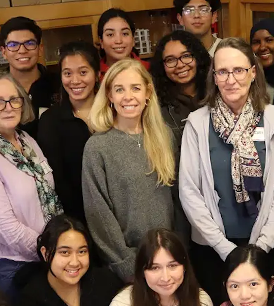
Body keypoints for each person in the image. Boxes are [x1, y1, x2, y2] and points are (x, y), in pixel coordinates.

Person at [179, 37, 274, 306]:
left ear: (253, 72)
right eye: (223, 72)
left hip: (262, 242)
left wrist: (261, 247)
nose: (231, 79)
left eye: (239, 70)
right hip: (212, 247)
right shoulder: (197, 122)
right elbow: (189, 191)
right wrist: (224, 248)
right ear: (214, 77)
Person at [0, 71, 62, 300]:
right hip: (10, 268)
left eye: (14, 99)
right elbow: (4, 226)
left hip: (43, 258)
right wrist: (52, 251)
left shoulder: (26, 140)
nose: (8, 107)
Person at [83, 59, 175, 282]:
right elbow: (98, 214)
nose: (128, 96)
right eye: (119, 89)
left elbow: (179, 199)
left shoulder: (166, 137)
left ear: (148, 92)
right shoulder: (98, 146)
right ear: (110, 96)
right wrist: (127, 264)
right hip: (128, 267)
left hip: (170, 262)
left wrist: (177, 253)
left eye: (135, 88)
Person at [151, 30, 211, 244]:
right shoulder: (156, 109)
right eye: (170, 60)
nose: (180, 64)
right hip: (179, 206)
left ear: (197, 57)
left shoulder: (219, 95)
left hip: (219, 201)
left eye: (186, 56)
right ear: (162, 67)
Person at [37, 41, 100, 225]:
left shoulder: (113, 113)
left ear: (97, 74)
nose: (75, 81)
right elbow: (56, 180)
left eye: (83, 72)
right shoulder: (50, 120)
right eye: (67, 73)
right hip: (75, 220)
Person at [0, 16, 60, 137]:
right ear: (4, 52)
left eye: (29, 43)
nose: (22, 50)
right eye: (13, 45)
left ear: (40, 49)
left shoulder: (60, 84)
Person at [97, 8, 150, 80]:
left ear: (133, 39)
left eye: (125, 34)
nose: (118, 41)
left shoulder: (149, 70)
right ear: (101, 42)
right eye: (110, 35)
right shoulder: (94, 74)